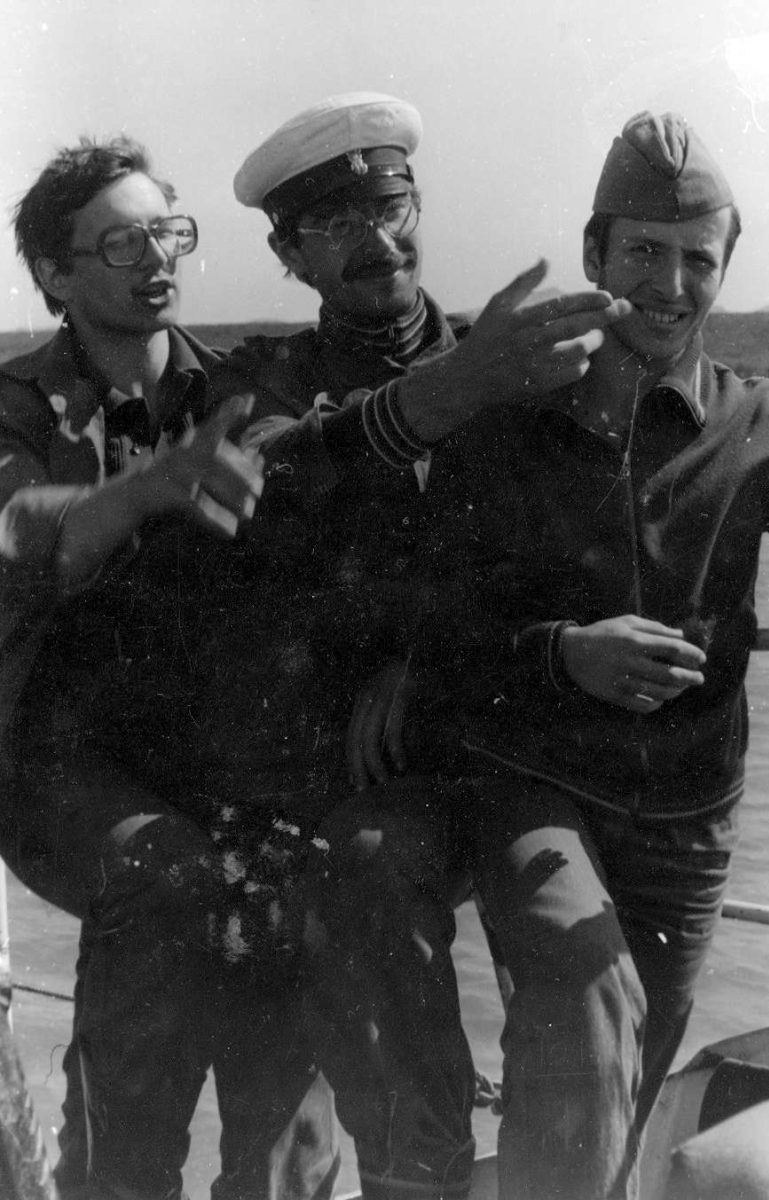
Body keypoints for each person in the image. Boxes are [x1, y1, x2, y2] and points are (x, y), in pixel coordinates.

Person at [67, 93, 635, 1200]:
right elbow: (268, 484)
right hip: (344, 797)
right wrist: (440, 397)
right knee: (344, 1025)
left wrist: (427, 661)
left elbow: (571, 566)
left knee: (583, 979)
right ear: (289, 255)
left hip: (504, 758)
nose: (375, 239)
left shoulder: (513, 364)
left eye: (389, 206)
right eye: (334, 225)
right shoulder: (256, 385)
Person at [313, 111, 769, 1199]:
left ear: (726, 269)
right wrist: (562, 655)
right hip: (536, 789)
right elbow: (436, 632)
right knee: (583, 1003)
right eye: (641, 252)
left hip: (687, 820)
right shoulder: (502, 425)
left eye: (697, 260)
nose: (668, 285)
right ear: (594, 253)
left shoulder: (764, 423)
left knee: (620, 1102)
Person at [0, 136, 340, 1200]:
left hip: (213, 758)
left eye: (165, 233)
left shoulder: (239, 387)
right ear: (53, 274)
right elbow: (22, 525)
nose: (156, 259)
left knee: (293, 885)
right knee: (162, 876)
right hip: (53, 764)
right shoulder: (12, 407)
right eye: (120, 243)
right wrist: (144, 490)